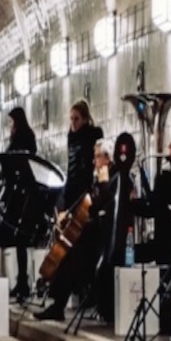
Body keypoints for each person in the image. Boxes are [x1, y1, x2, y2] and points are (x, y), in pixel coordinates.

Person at [37, 100, 102, 321]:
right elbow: (71, 173)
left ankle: (62, 302)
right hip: (72, 198)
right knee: (67, 254)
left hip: (83, 202)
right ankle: (59, 301)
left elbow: (86, 174)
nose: (73, 124)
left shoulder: (92, 137)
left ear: (85, 119)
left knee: (71, 255)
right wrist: (62, 203)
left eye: (76, 119)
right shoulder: (71, 138)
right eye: (71, 119)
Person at [4, 105, 38, 302]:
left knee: (21, 239)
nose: (10, 126)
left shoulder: (19, 138)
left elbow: (11, 158)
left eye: (11, 122)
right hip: (24, 194)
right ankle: (22, 280)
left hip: (22, 195)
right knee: (20, 241)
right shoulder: (29, 136)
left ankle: (23, 282)